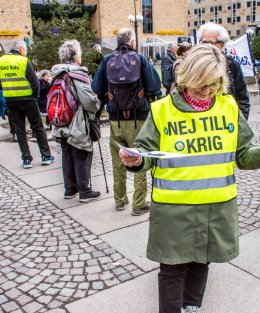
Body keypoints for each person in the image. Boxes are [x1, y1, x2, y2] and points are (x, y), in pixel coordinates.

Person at [118, 44, 260, 313]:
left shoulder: (228, 106)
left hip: (215, 205)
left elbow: (243, 153)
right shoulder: (162, 110)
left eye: (215, 84)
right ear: (186, 79)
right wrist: (136, 160)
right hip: (173, 207)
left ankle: (191, 307)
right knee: (171, 269)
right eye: (202, 85)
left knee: (201, 261)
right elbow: (144, 153)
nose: (208, 91)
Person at [92, 27, 162, 213]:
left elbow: (96, 88)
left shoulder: (107, 60)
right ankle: (139, 204)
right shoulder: (140, 59)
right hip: (138, 119)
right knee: (138, 157)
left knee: (118, 161)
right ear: (132, 42)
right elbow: (155, 87)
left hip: (115, 120)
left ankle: (120, 200)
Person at [51, 40, 101, 203]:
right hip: (77, 124)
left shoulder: (57, 74)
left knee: (67, 156)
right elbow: (89, 102)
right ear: (76, 56)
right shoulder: (77, 75)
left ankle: (70, 189)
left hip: (60, 123)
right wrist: (97, 103)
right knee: (82, 154)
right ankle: (85, 191)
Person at [0, 40, 54, 169]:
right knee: (38, 127)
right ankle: (46, 156)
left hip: (11, 99)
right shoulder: (23, 61)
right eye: (26, 50)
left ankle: (26, 159)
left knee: (20, 130)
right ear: (21, 49)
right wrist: (35, 95)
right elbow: (35, 82)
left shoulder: (1, 61)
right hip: (28, 99)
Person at [199, 22, 250, 120]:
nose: (206, 46)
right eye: (203, 42)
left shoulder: (232, 65)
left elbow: (243, 97)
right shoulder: (193, 65)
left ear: (222, 44)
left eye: (210, 43)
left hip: (226, 120)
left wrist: (240, 122)